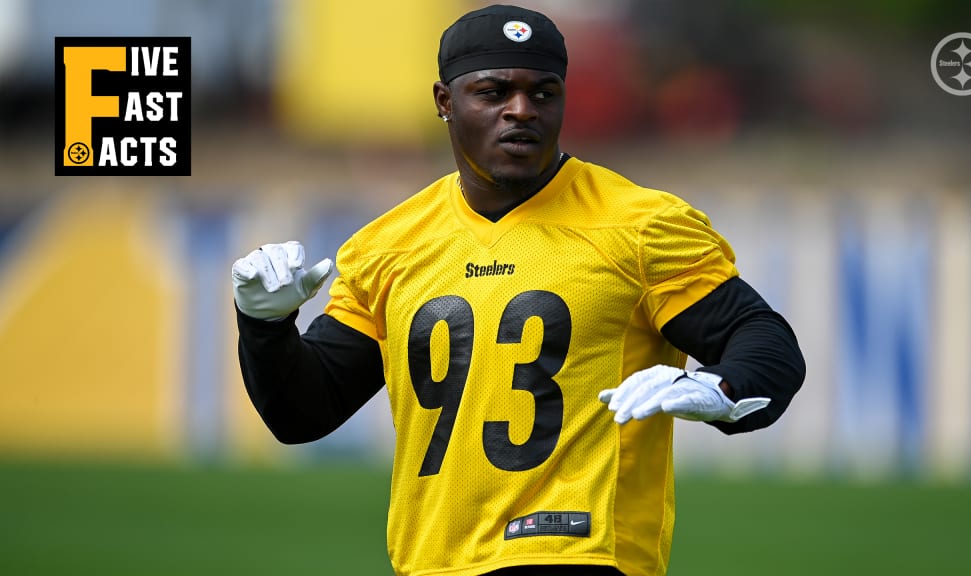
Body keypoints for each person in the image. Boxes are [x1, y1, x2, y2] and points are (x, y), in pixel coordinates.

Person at [232, 5, 805, 576]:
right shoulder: (389, 246)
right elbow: (303, 414)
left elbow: (763, 340)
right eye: (494, 91)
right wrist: (264, 326)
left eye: (544, 93)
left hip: (582, 554)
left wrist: (721, 387)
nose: (521, 111)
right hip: (435, 563)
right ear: (444, 102)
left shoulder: (639, 226)